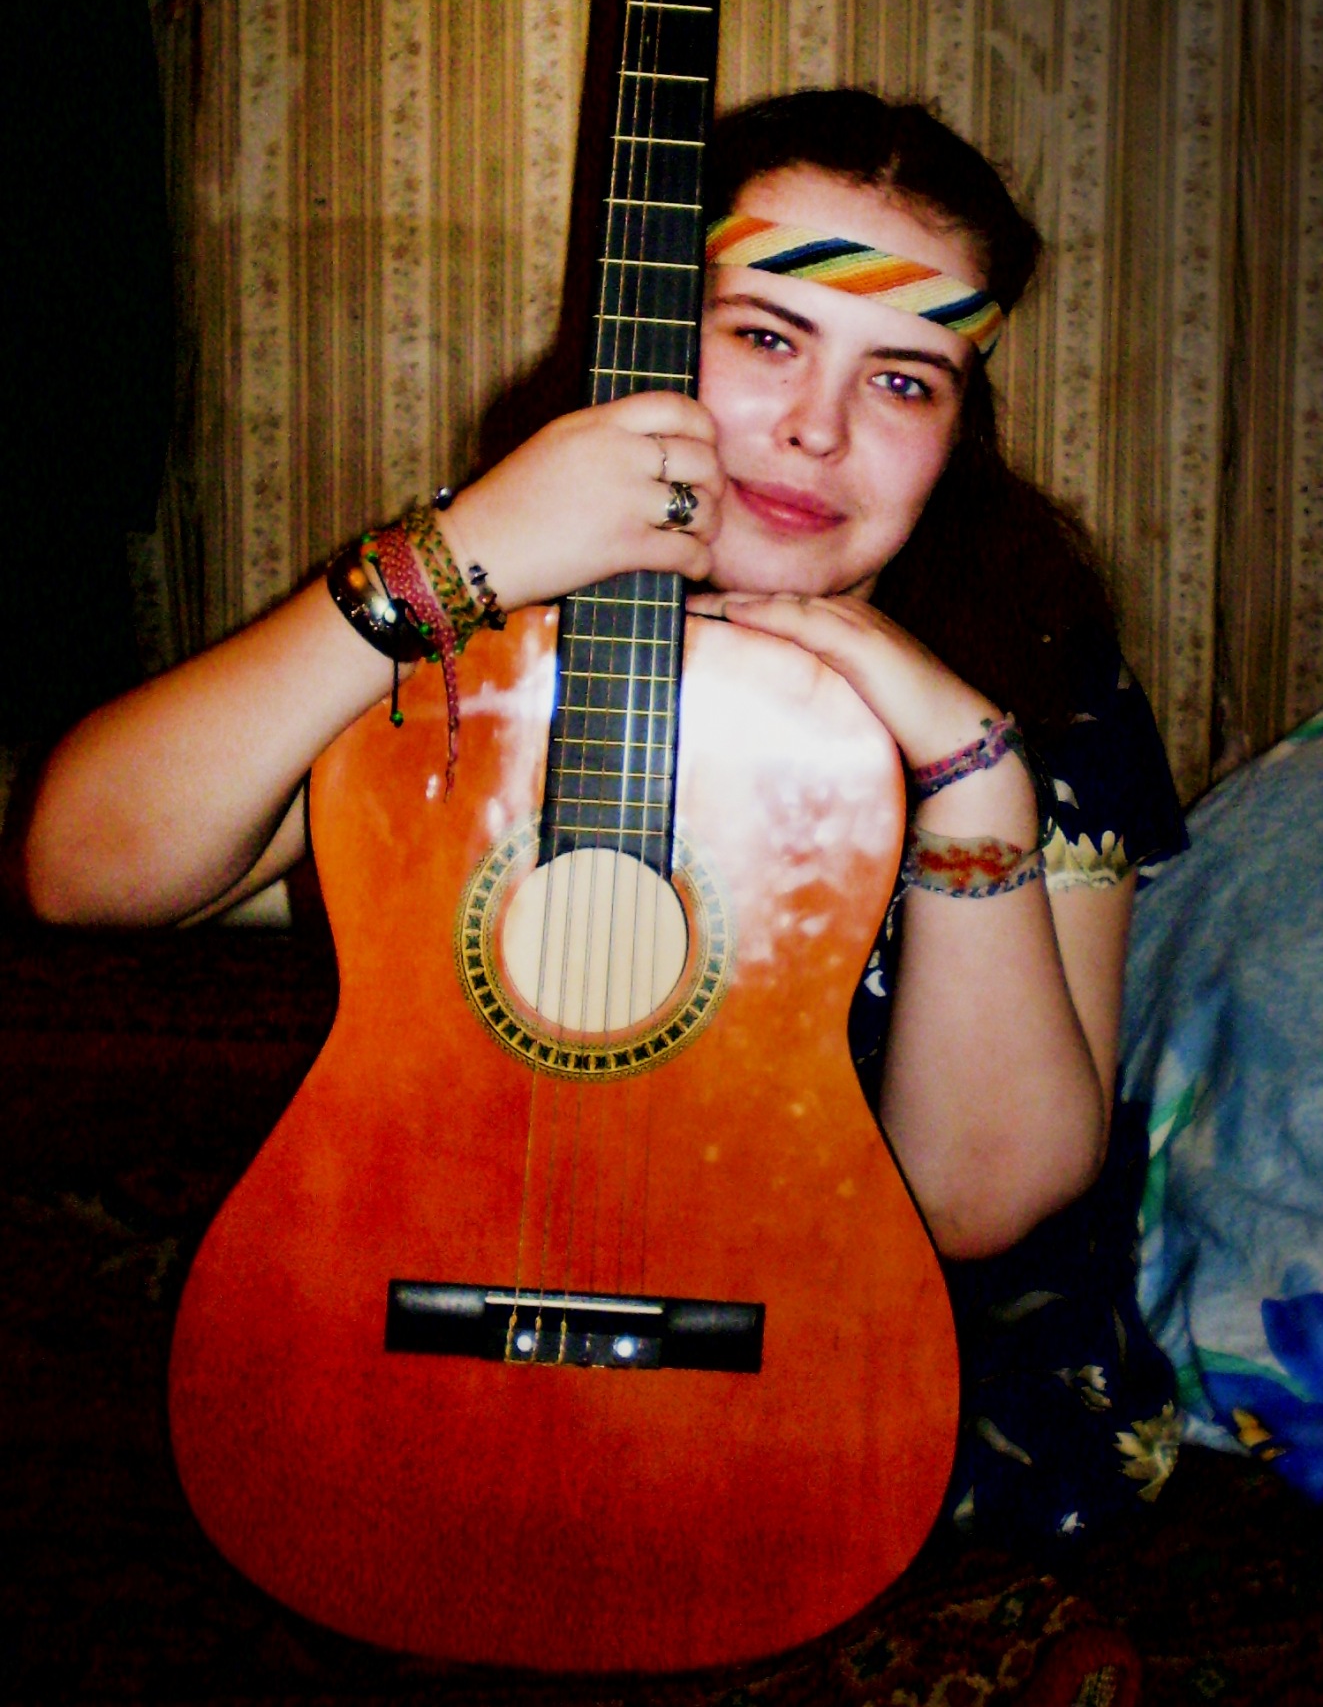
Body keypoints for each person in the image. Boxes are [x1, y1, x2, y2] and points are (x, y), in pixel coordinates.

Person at [20, 87, 1185, 1551]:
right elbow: (79, 870)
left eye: (905, 381)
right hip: (454, 1327)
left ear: (959, 433)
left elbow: (975, 1200)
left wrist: (971, 775)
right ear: (643, 337)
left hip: (866, 1385)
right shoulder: (482, 599)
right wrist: (461, 556)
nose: (815, 430)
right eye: (765, 338)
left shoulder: (1038, 670)